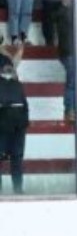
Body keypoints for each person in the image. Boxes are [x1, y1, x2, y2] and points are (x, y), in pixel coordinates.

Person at [0, 59, 28, 194]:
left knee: (17, 160)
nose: (8, 71)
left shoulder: (18, 85)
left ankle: (18, 190)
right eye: (5, 68)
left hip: (17, 130)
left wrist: (24, 124)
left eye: (10, 68)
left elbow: (25, 106)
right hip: (1, 129)